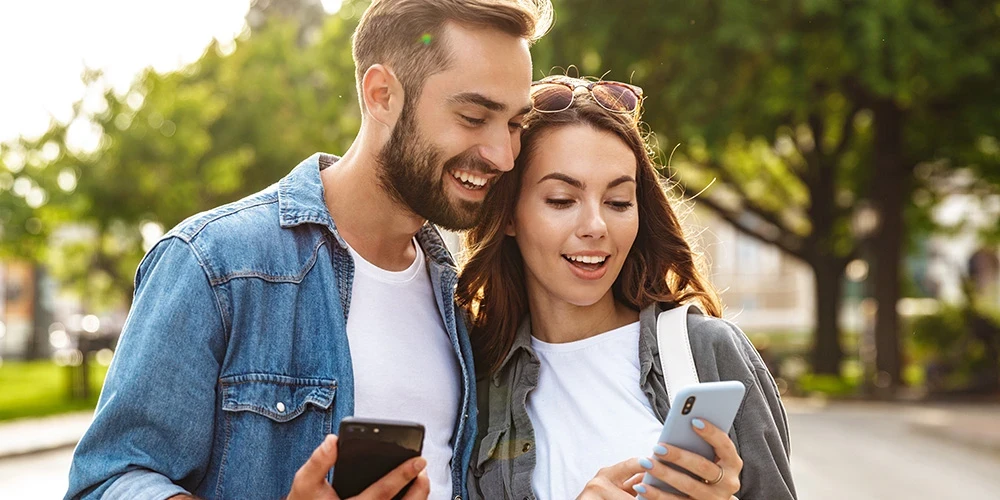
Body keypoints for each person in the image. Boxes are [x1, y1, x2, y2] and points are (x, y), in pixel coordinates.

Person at [65, 1, 553, 499]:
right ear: (382, 95)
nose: (504, 155)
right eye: (474, 117)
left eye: (514, 124)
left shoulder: (460, 295)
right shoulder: (216, 264)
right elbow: (109, 482)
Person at [457, 75, 797, 499]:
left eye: (618, 202)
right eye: (562, 200)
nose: (597, 227)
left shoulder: (707, 352)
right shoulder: (473, 377)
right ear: (508, 216)